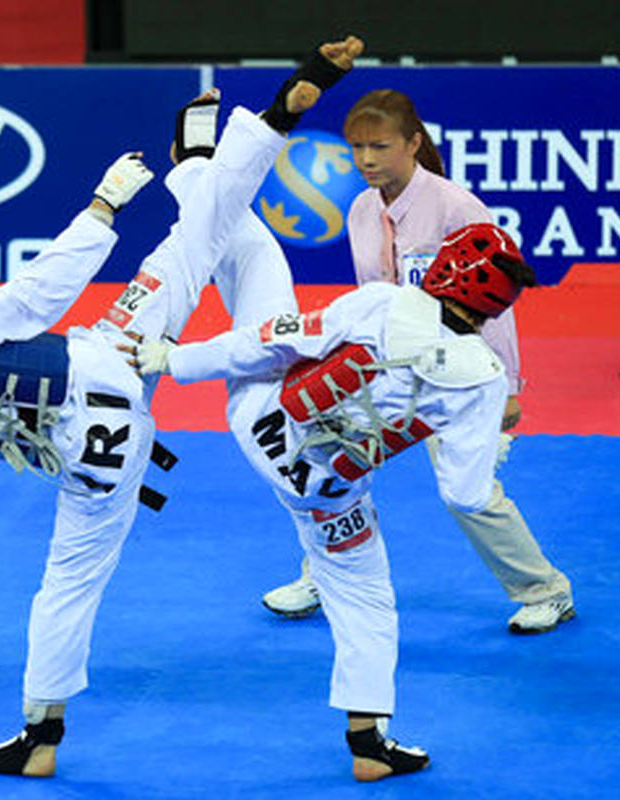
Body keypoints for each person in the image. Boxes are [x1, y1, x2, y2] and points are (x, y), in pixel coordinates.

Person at [0, 36, 372, 780]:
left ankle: (39, 734)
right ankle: (263, 122)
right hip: (114, 361)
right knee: (193, 238)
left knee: (66, 584)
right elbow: (35, 296)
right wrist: (103, 206)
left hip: (96, 458)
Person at [127, 220, 541, 782]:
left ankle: (204, 183)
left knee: (257, 261)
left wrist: (175, 361)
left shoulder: (383, 304)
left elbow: (271, 340)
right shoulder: (484, 381)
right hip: (322, 492)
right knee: (367, 602)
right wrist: (488, 451)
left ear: (444, 269)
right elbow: (464, 496)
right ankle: (368, 744)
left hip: (260, 420)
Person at [260, 89, 574, 635]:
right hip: (387, 371)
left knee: (470, 495)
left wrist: (509, 388)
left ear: (412, 143)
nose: (366, 159)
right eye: (358, 147)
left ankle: (545, 591)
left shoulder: (457, 208)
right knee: (331, 470)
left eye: (380, 146)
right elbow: (370, 298)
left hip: (455, 376)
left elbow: (496, 302)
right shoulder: (360, 209)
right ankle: (326, 576)